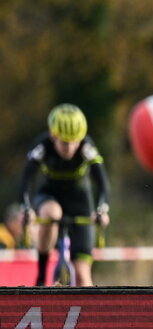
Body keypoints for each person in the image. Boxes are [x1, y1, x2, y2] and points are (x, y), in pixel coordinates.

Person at [20, 104, 110, 286]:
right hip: (49, 196)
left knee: (83, 276)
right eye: (64, 142)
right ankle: (42, 273)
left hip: (80, 202)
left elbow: (103, 183)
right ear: (54, 137)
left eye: (74, 142)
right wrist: (27, 208)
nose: (69, 147)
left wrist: (102, 210)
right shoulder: (43, 145)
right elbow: (26, 179)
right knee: (52, 213)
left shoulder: (86, 146)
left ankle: (89, 313)